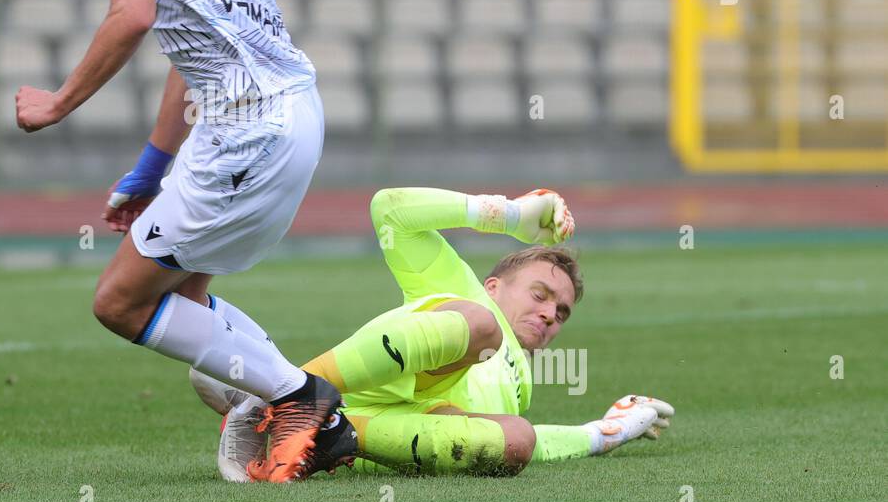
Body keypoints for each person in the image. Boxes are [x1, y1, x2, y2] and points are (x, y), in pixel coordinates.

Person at [13, 0, 338, 481]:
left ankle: (301, 400)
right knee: (184, 299)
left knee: (120, 303)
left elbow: (132, 15)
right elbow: (189, 49)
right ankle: (288, 405)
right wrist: (151, 169)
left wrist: (58, 102)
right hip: (280, 114)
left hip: (249, 126)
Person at [194, 187, 675, 480]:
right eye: (541, 294)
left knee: (517, 440)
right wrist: (508, 214)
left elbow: (544, 446)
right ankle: (285, 392)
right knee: (480, 329)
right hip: (397, 366)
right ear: (494, 284)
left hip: (384, 432)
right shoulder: (463, 288)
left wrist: (605, 433)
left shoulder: (520, 386)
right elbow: (391, 209)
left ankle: (299, 424)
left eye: (563, 311)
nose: (551, 314)